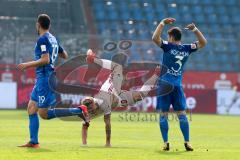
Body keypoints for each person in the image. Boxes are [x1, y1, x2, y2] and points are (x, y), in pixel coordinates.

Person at [17, 14, 88, 148]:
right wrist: (55, 52)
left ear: (38, 25)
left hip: (45, 78)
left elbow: (46, 60)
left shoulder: (42, 39)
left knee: (43, 114)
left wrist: (27, 65)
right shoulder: (53, 38)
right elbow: (65, 55)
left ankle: (79, 111)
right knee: (31, 108)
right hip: (42, 79)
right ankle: (33, 141)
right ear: (49, 25)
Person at [81, 49, 161, 147]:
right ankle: (156, 75)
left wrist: (107, 143)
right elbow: (85, 127)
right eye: (89, 108)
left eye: (91, 105)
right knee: (140, 96)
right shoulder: (88, 112)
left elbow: (107, 124)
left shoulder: (102, 103)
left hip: (113, 89)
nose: (91, 108)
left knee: (118, 66)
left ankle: (93, 59)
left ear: (93, 102)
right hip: (117, 100)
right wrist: (84, 143)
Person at [152, 17, 207, 151]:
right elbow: (203, 42)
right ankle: (187, 142)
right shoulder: (187, 48)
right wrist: (195, 29)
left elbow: (155, 38)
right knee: (182, 114)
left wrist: (162, 23)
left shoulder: (167, 46)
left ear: (171, 37)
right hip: (177, 86)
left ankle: (166, 143)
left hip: (165, 86)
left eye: (168, 36)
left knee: (163, 114)